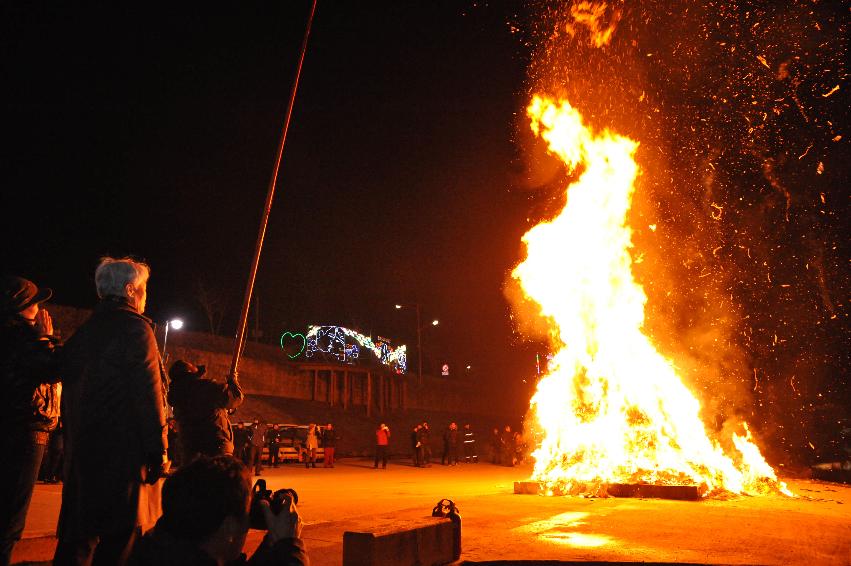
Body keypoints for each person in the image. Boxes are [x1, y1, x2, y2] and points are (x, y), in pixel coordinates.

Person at [54, 257, 169, 565]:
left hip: (83, 453)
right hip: (122, 456)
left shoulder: (86, 331)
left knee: (78, 540)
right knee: (120, 543)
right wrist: (158, 450)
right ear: (130, 290)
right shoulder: (136, 331)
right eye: (143, 289)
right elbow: (149, 395)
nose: (147, 296)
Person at [128, 455, 309, 566]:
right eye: (245, 519)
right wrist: (290, 546)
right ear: (229, 527)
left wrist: (273, 542)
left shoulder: (158, 548)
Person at [0, 276, 62, 565]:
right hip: (27, 429)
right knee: (12, 514)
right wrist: (44, 338)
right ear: (23, 305)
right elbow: (51, 370)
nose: (40, 307)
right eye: (36, 302)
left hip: (13, 425)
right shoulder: (23, 335)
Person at [168, 359, 244, 463]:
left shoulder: (177, 393)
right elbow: (235, 399)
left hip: (189, 447)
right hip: (214, 445)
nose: (195, 365)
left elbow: (207, 408)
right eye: (191, 365)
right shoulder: (205, 386)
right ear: (188, 372)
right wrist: (233, 382)